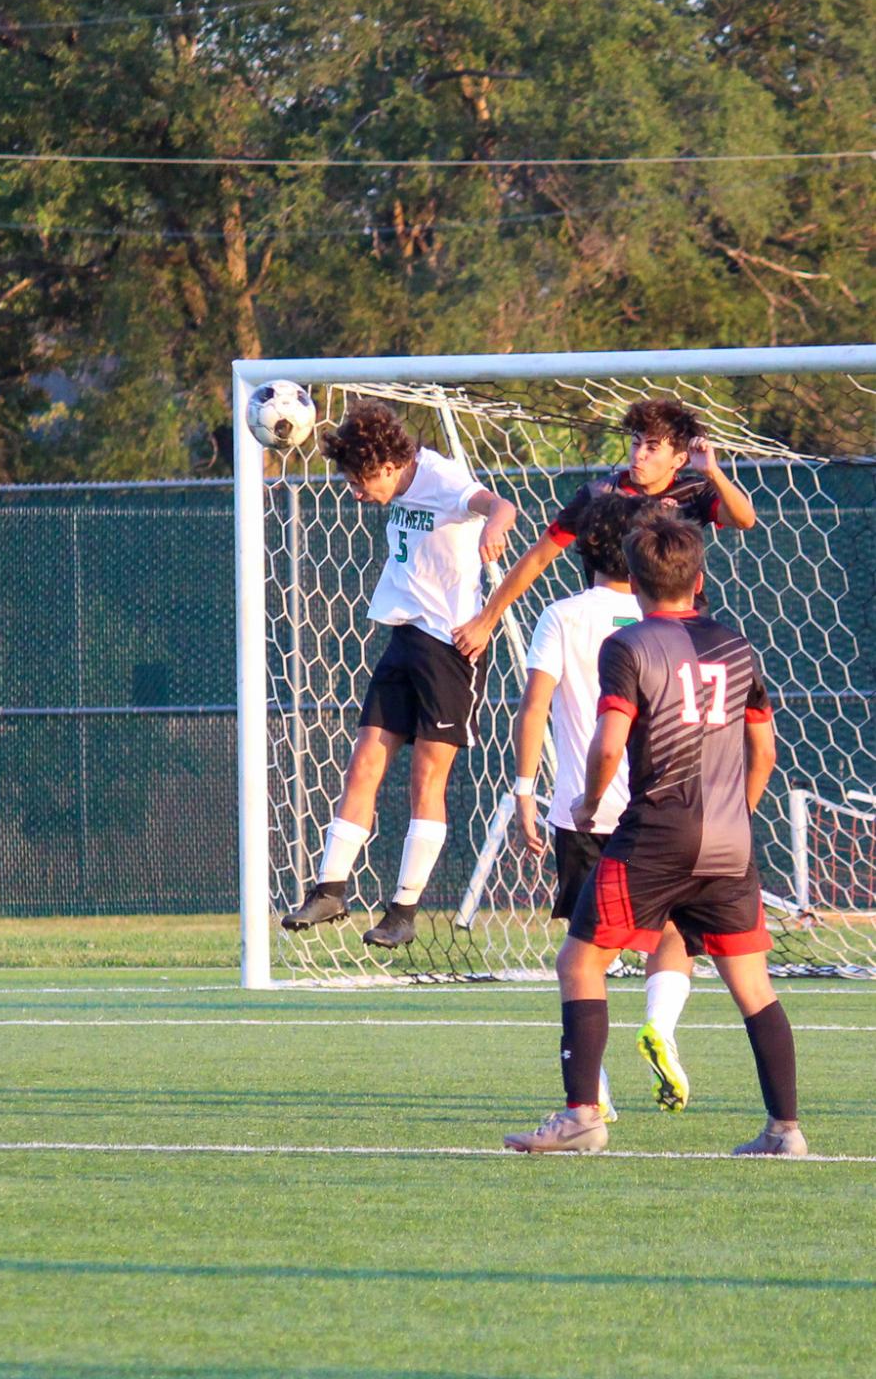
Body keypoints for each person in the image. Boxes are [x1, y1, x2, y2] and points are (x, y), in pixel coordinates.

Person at [505, 514, 805, 1157]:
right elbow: (765, 749)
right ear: (699, 580)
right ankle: (786, 1130)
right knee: (753, 986)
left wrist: (586, 802)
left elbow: (609, 742)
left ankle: (583, 1116)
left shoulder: (630, 645)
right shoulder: (737, 645)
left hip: (655, 835)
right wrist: (739, 814)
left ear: (636, 586)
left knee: (579, 960)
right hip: (729, 842)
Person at [284, 398, 517, 948]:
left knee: (424, 781)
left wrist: (495, 528)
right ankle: (330, 889)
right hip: (403, 637)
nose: (357, 493)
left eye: (362, 480)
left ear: (390, 465)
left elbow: (498, 505)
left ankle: (403, 911)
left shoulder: (441, 477)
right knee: (364, 761)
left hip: (451, 649)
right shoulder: (396, 484)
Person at [513, 493, 695, 1119]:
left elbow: (534, 707)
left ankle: (596, 1091)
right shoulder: (676, 621)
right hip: (664, 811)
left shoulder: (562, 615)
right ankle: (661, 1026)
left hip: (584, 814)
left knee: (585, 955)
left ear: (587, 546)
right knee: (671, 934)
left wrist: (524, 791)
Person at [453, 396, 756, 663]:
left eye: (652, 448)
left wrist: (713, 471)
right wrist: (486, 621)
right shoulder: (599, 495)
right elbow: (539, 557)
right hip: (611, 633)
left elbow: (745, 520)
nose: (639, 455)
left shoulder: (695, 492)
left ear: (679, 459)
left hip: (678, 633)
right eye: (637, 443)